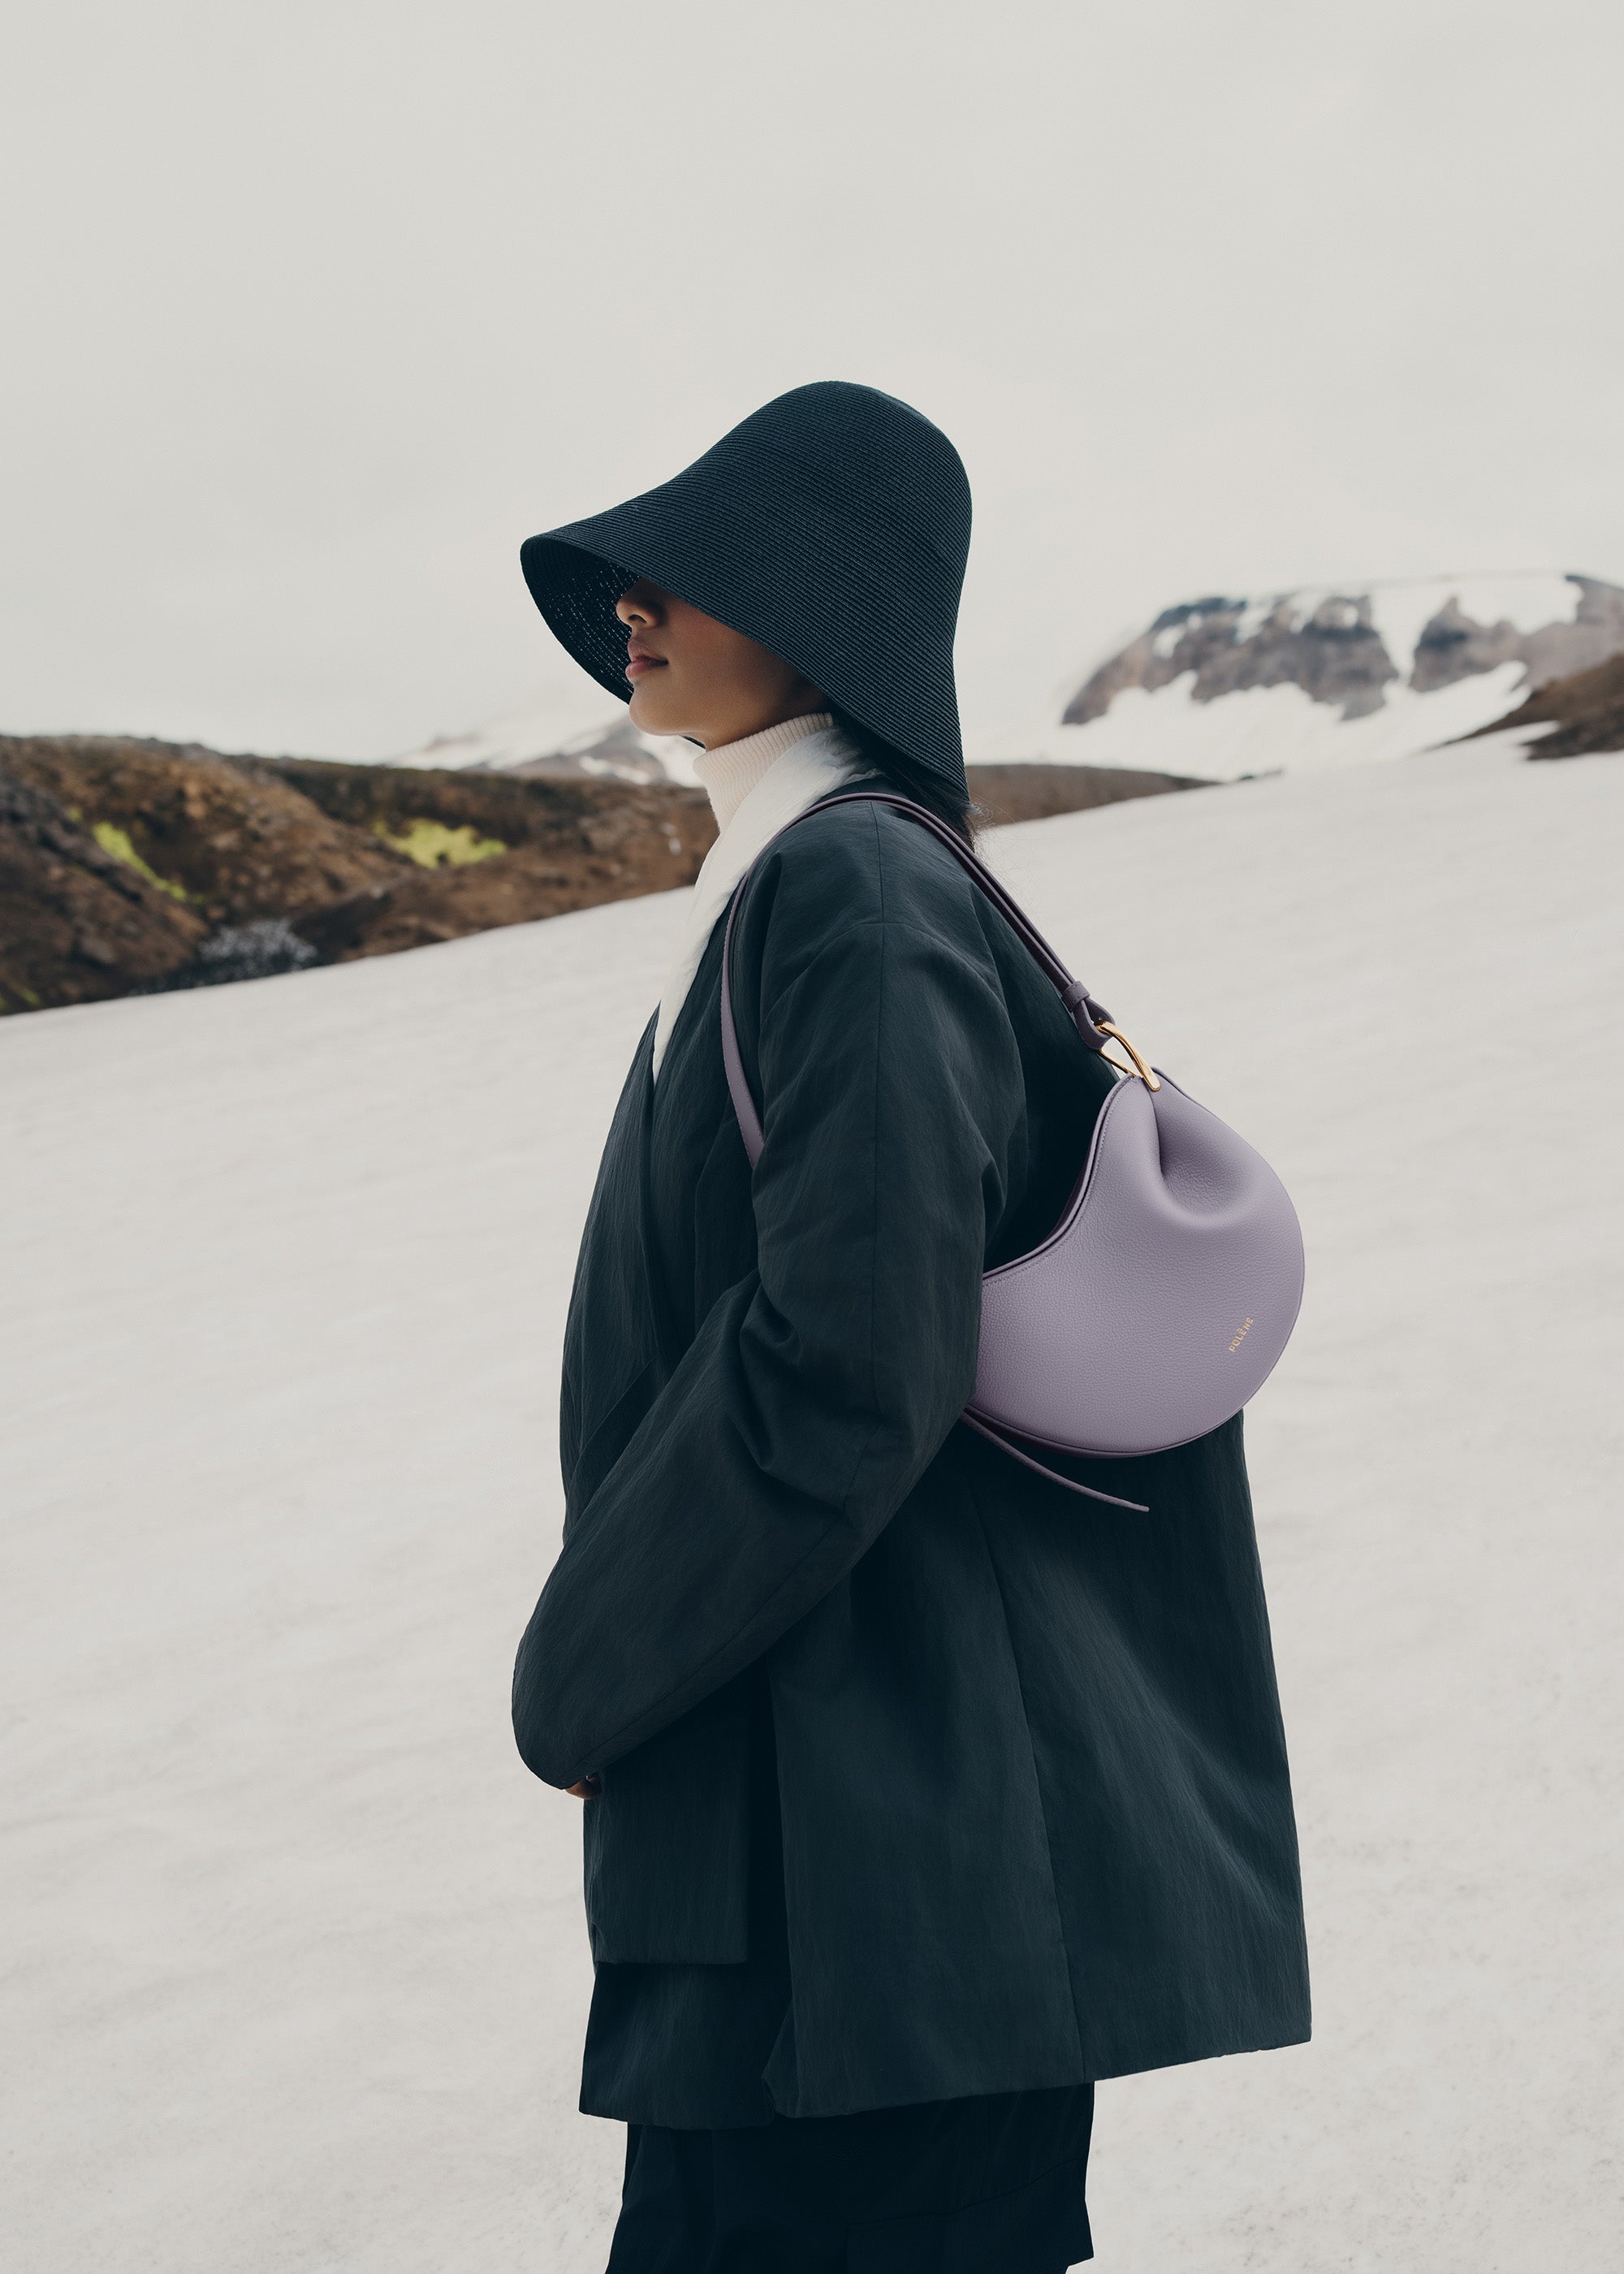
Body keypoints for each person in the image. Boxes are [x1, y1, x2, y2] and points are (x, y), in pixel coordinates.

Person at [512, 383, 1310, 2270]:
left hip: (876, 1884)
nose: (634, 598)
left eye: (695, 562)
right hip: (821, 1870)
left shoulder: (851, 888)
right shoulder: (786, 881)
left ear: (825, 598)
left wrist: (590, 1667)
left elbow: (851, 1361)